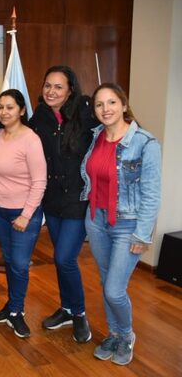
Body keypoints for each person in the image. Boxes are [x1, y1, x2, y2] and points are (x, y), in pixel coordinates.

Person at [81, 83, 161, 366]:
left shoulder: (146, 143)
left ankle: (126, 336)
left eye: (112, 102)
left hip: (128, 225)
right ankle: (113, 333)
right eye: (100, 104)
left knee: (115, 289)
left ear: (124, 105)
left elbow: (151, 193)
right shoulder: (96, 137)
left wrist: (143, 233)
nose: (106, 109)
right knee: (106, 284)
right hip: (97, 221)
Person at [28, 65, 96, 343]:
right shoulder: (39, 117)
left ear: (70, 90)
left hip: (78, 201)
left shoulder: (85, 113)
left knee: (64, 258)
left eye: (58, 86)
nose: (51, 91)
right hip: (52, 201)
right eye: (47, 85)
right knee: (61, 258)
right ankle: (67, 308)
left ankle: (79, 314)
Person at [0, 89, 47, 338]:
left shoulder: (31, 140)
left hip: (23, 212)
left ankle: (17, 312)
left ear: (22, 110)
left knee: (20, 264)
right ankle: (11, 306)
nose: (4, 112)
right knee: (10, 261)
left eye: (10, 107)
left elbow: (40, 181)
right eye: (0, 107)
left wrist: (26, 215)